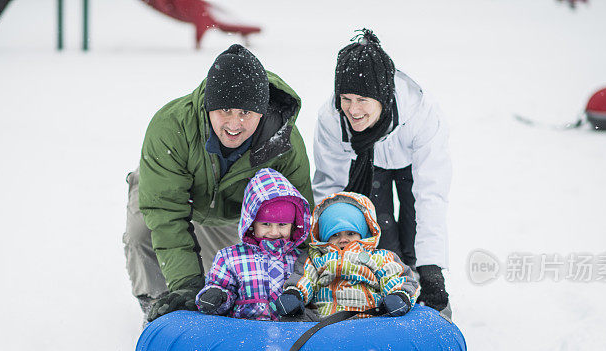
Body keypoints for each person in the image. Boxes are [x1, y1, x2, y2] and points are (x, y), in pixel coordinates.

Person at [123, 44, 314, 323]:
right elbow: (165, 214)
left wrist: (301, 286)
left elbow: (301, 222)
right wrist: (186, 285)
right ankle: (156, 305)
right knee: (144, 233)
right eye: (224, 109)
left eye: (246, 113)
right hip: (177, 194)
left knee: (227, 280)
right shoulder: (171, 127)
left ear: (261, 112)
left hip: (234, 213)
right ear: (208, 106)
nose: (234, 124)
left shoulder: (283, 143)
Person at [312, 29, 452, 317]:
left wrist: (432, 269)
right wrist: (327, 252)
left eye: (363, 99)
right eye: (346, 98)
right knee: (382, 232)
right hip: (366, 163)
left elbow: (431, 195)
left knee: (413, 225)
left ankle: (418, 282)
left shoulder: (422, 114)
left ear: (383, 96)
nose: (353, 109)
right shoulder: (331, 119)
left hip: (410, 161)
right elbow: (331, 189)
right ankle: (390, 284)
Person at [273, 192, 420, 319]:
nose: (343, 239)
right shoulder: (315, 258)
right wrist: (294, 294)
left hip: (369, 316)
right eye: (335, 234)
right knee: (295, 320)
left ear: (362, 233)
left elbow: (396, 276)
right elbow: (305, 277)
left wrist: (399, 295)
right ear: (325, 238)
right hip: (323, 320)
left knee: (396, 321)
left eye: (350, 233)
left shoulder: (379, 257)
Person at [195, 168, 311, 321]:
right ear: (251, 223)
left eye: (282, 224)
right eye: (266, 224)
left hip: (287, 333)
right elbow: (221, 285)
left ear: (293, 225)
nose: (274, 232)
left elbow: (309, 288)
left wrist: (298, 301)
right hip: (244, 332)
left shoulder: (301, 259)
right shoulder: (230, 257)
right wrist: (217, 296)